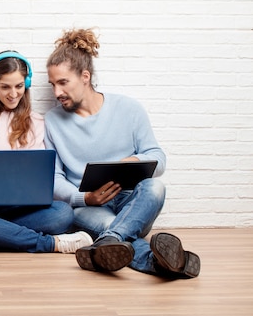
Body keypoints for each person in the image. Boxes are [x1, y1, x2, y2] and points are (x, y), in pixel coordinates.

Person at [43, 28, 201, 278]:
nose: (57, 93)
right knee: (109, 225)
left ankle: (108, 241)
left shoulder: (128, 108)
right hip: (89, 206)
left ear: (85, 76)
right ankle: (166, 263)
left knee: (155, 188)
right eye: (53, 84)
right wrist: (85, 198)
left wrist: (135, 161)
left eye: (63, 83)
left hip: (132, 200)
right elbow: (53, 178)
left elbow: (158, 156)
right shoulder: (52, 121)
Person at [0, 50, 93, 254]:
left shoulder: (35, 121)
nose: (13, 94)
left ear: (27, 84)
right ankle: (51, 244)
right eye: (5, 87)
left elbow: (36, 170)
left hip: (21, 209)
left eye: (19, 86)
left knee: (63, 214)